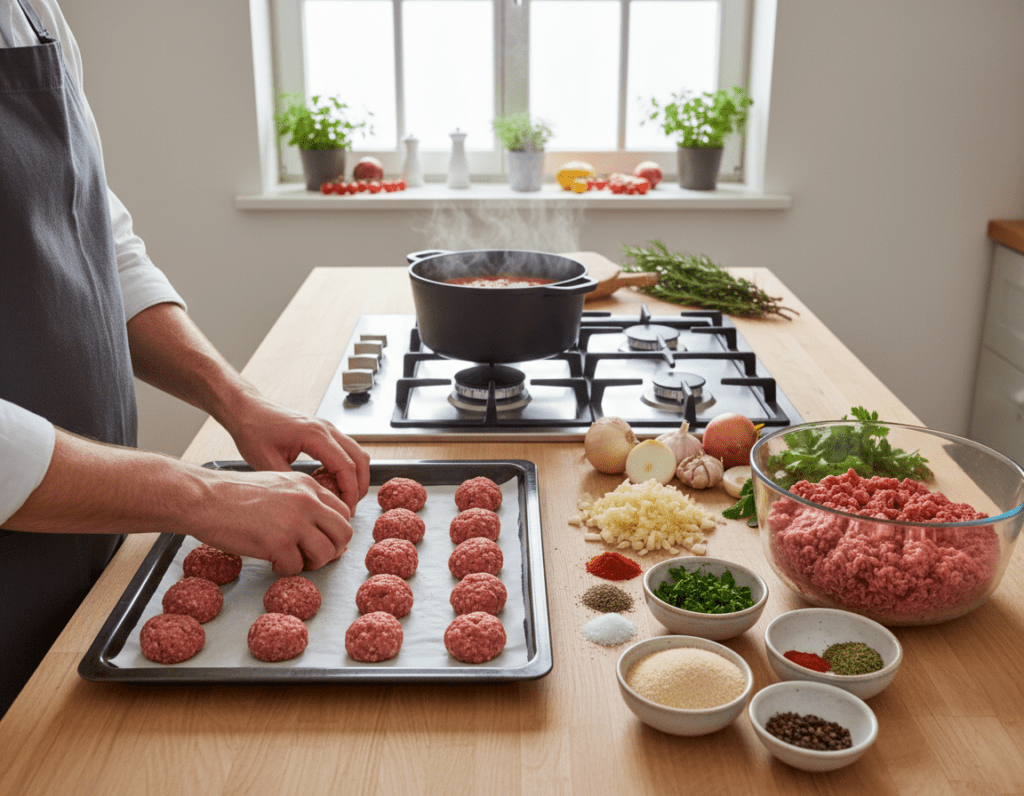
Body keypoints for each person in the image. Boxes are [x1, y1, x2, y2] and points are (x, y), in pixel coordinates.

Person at [0, 0, 371, 717]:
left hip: (88, 526)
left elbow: (91, 231)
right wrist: (197, 495)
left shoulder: (34, 12)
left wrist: (235, 398)